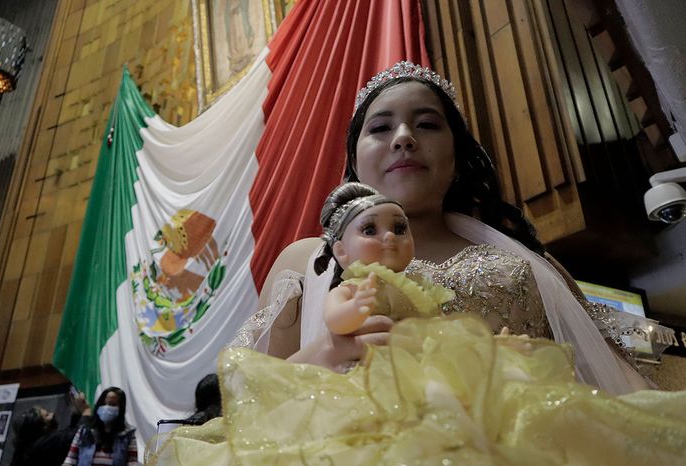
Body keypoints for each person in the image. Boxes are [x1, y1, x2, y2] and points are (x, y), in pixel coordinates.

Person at [246, 61, 648, 395]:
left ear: (459, 156)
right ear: (354, 160)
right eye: (381, 128)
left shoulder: (528, 261)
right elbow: (250, 397)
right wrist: (322, 357)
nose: (403, 138)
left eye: (427, 124)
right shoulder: (305, 262)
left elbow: (619, 379)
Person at [318, 182, 452, 335]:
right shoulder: (352, 289)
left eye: (399, 229)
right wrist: (355, 307)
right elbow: (334, 321)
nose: (390, 235)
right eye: (369, 230)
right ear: (341, 251)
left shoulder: (418, 284)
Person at [11, 390, 91, 466]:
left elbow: (67, 434)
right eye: (47, 415)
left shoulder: (29, 445)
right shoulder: (43, 445)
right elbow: (78, 435)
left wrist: (76, 412)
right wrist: (86, 409)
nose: (52, 414)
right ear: (41, 427)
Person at [62, 387, 139, 466]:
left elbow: (132, 463)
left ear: (121, 408)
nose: (106, 407)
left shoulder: (128, 434)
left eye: (112, 404)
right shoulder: (84, 430)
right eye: (103, 404)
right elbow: (70, 459)